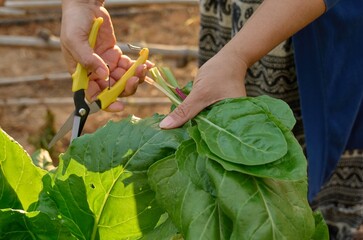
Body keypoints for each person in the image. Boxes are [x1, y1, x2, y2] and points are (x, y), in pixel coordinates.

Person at [60, 0, 363, 239]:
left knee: (303, 178)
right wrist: (83, 4)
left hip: (308, 21)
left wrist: (238, 56)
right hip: (234, 23)